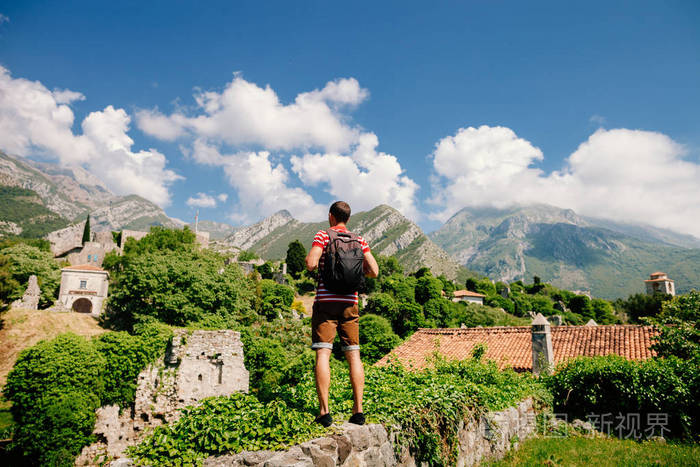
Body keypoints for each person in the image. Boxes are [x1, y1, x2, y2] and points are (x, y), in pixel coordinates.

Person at [305, 201, 379, 427]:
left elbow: (310, 263)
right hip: (350, 303)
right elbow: (374, 271)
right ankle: (358, 411)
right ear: (348, 218)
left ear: (330, 216)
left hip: (326, 303)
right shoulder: (360, 240)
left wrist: (321, 266)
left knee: (323, 354)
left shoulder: (323, 235)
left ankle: (324, 412)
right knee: (353, 354)